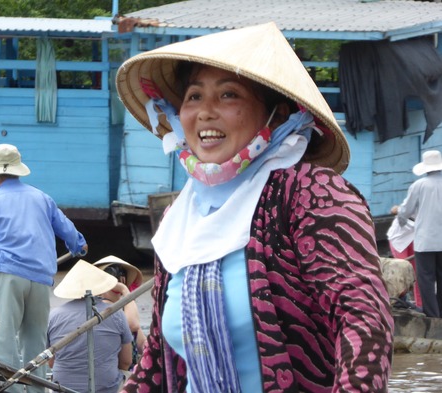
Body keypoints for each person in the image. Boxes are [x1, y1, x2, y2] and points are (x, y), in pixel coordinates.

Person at [115, 22, 393, 392]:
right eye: (194, 96)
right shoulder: (179, 219)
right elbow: (157, 361)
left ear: (276, 115)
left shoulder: (309, 193)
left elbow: (364, 320)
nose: (205, 113)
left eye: (228, 95)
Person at [0, 143, 88, 393]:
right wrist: (79, 245)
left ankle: (11, 391)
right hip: (41, 279)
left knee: (2, 339)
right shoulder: (42, 198)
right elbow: (67, 229)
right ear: (18, 171)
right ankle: (37, 391)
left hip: (9, 275)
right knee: (35, 343)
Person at [48, 260, 133, 393]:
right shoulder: (116, 314)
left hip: (62, 388)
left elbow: (51, 362)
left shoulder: (53, 316)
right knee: (131, 376)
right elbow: (126, 362)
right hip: (107, 388)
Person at [396, 150, 442, 318]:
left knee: (426, 280)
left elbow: (405, 211)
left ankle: (432, 315)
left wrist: (401, 220)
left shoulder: (419, 185)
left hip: (426, 241)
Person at [93, 255, 147, 368]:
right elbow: (132, 325)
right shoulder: (96, 308)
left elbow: (143, 345)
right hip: (111, 373)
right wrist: (124, 290)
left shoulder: (124, 310)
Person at [388, 205, 421, 308]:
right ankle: (401, 304)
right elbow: (393, 209)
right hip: (399, 240)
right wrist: (401, 210)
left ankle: (421, 305)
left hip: (414, 238)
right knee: (403, 273)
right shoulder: (418, 201)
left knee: (418, 274)